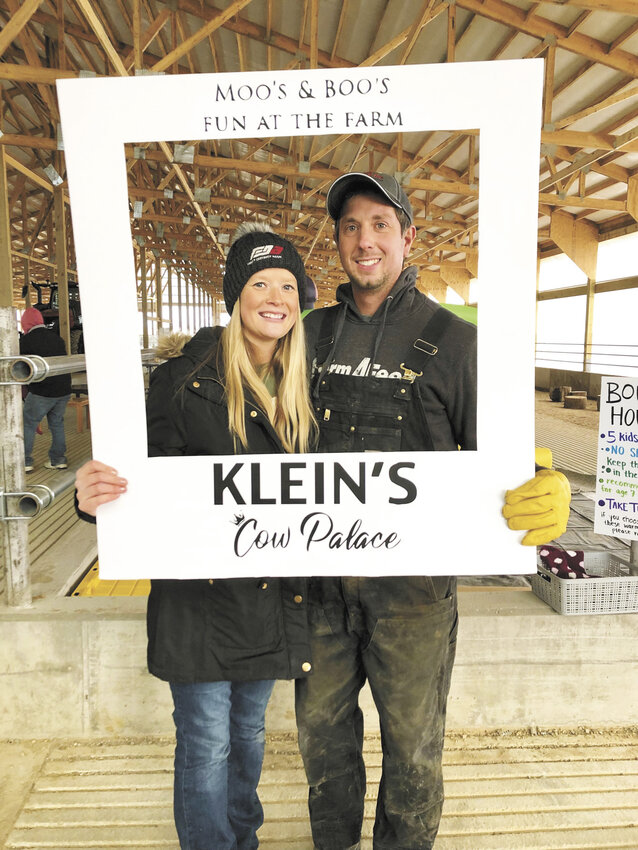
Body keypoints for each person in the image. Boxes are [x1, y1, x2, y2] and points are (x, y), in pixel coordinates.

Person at [296, 171, 570, 850]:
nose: (365, 240)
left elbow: (495, 453)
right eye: (351, 226)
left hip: (413, 595)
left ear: (408, 236)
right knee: (321, 747)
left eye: (381, 224)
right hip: (315, 586)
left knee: (413, 750)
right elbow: (252, 441)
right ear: (336, 240)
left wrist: (538, 482)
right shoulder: (304, 336)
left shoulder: (456, 340)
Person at [75, 222, 316, 850]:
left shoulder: (306, 387)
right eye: (260, 282)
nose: (275, 296)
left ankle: (245, 838)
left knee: (251, 734)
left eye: (287, 285)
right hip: (200, 599)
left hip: (268, 591)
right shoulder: (185, 380)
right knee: (206, 741)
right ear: (236, 296)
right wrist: (96, 498)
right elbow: (136, 480)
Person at [19, 306, 72, 472]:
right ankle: (58, 460)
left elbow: (20, 368)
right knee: (56, 424)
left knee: (27, 424)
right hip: (63, 389)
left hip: (42, 390)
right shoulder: (57, 338)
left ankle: (25, 462)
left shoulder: (25, 341)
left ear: (26, 323)